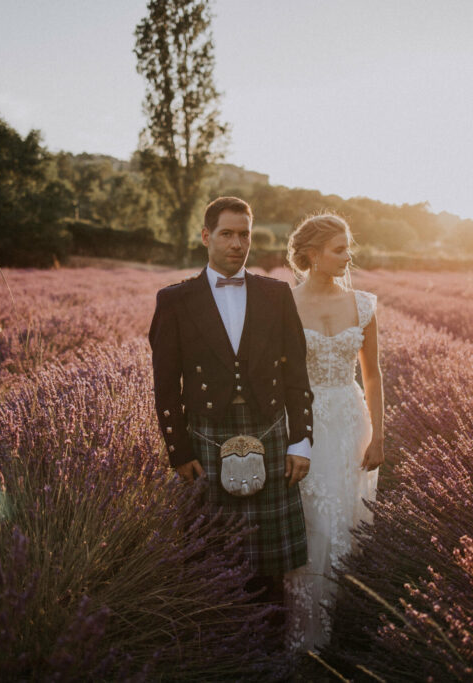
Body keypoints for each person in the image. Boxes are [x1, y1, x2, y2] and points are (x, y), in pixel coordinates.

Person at [148, 196, 314, 612]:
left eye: (245, 235)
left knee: (269, 562)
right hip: (207, 431)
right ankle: (222, 642)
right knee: (212, 552)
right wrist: (178, 452)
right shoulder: (175, 300)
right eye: (227, 234)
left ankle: (272, 649)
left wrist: (301, 441)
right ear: (206, 237)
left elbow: (297, 374)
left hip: (271, 429)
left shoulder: (276, 294)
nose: (237, 243)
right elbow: (165, 384)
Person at [283, 213, 384, 652]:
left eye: (348, 248)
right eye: (339, 249)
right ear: (312, 255)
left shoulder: (363, 304)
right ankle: (304, 633)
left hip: (350, 420)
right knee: (311, 520)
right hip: (303, 423)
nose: (348, 256)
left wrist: (379, 435)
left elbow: (373, 375)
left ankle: (344, 625)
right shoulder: (282, 304)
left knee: (345, 519)